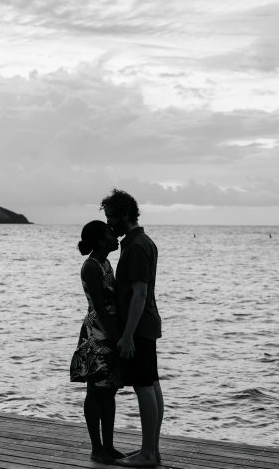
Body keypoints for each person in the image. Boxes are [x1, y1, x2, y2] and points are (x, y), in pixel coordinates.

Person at [101, 189, 163, 468]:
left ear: (125, 215)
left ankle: (148, 453)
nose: (109, 223)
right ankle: (151, 450)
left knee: (143, 386)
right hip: (146, 322)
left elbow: (139, 293)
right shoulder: (140, 242)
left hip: (138, 325)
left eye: (112, 217)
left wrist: (127, 335)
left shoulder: (137, 246)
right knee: (151, 385)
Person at [70, 220, 126, 464]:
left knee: (110, 390)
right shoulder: (91, 266)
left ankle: (109, 446)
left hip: (109, 330)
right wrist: (117, 338)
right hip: (97, 333)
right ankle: (97, 448)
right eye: (109, 234)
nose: (115, 237)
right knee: (95, 391)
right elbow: (100, 309)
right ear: (100, 240)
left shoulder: (105, 262)